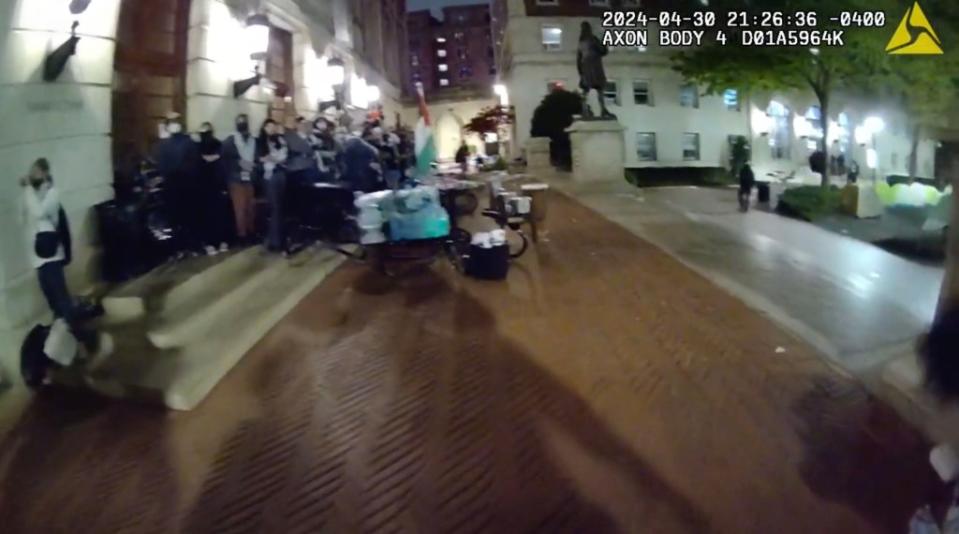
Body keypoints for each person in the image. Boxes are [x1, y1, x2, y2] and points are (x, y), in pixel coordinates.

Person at [19, 158, 96, 351]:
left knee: (62, 302)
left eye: (36, 171)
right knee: (53, 302)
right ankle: (67, 342)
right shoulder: (32, 194)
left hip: (51, 257)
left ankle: (84, 340)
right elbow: (24, 219)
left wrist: (28, 189)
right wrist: (26, 192)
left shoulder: (52, 193)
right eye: (31, 170)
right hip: (38, 259)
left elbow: (39, 213)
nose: (32, 174)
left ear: (45, 173)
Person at [153, 112, 203, 256]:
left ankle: (186, 247)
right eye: (172, 122)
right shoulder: (164, 144)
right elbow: (161, 165)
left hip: (184, 185)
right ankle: (179, 248)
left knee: (187, 217)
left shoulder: (188, 142)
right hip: (174, 185)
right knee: (176, 218)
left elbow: (194, 162)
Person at [222, 114, 258, 244]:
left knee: (250, 208)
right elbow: (227, 161)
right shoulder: (229, 141)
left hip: (249, 178)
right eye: (240, 122)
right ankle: (242, 235)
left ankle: (251, 232)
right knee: (240, 209)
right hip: (236, 179)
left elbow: (257, 157)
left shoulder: (253, 140)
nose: (243, 124)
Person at [197, 122, 231, 254]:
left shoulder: (198, 147)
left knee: (209, 216)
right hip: (216, 185)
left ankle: (211, 243)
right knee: (219, 214)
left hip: (206, 186)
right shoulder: (218, 146)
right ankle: (221, 242)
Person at [257, 118, 289, 251]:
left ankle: (279, 238)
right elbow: (262, 158)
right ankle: (273, 240)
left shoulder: (280, 140)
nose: (271, 128)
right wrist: (276, 159)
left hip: (280, 174)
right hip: (269, 176)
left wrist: (273, 158)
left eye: (273, 126)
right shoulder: (260, 141)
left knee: (280, 207)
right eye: (268, 126)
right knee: (274, 207)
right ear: (264, 128)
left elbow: (284, 156)